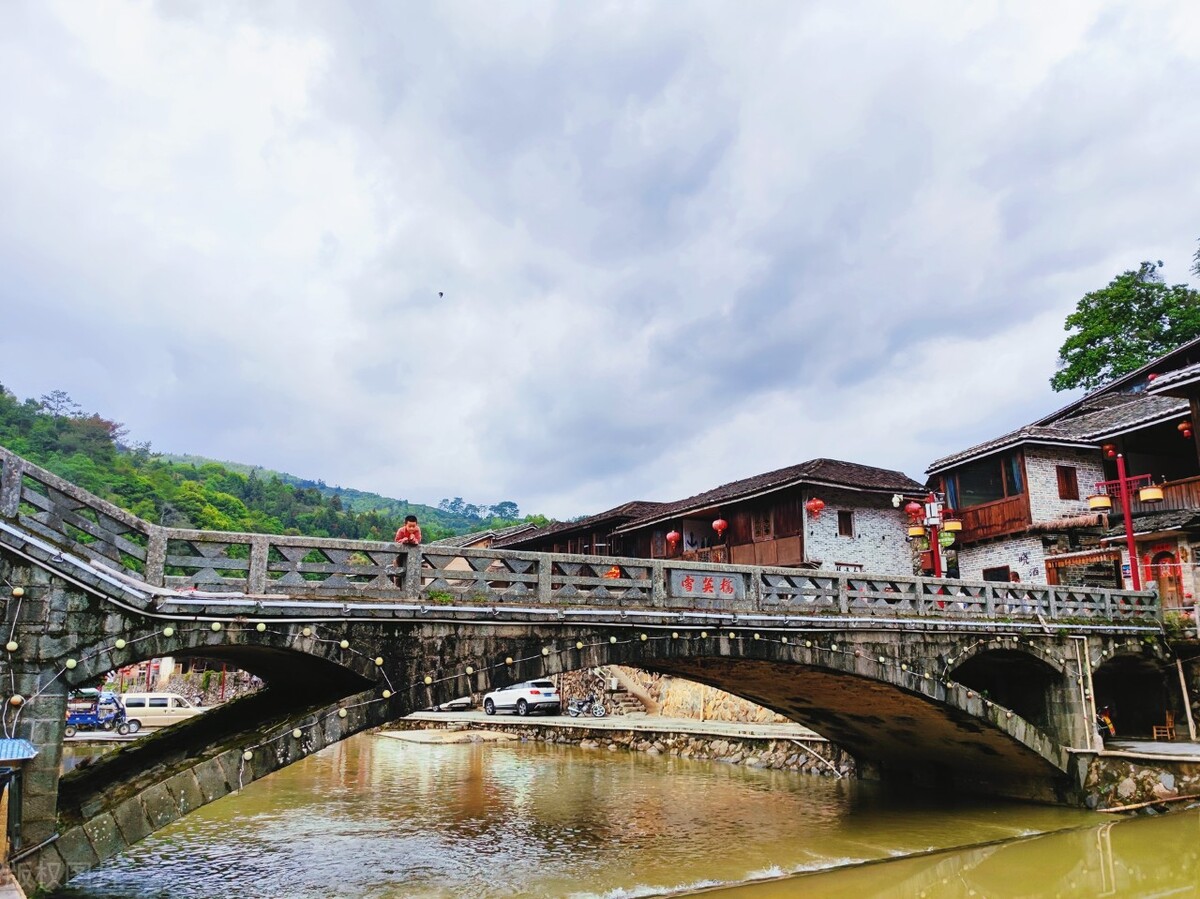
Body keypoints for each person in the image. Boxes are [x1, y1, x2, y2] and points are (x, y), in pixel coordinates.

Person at [392, 515, 421, 586]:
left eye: (413, 526)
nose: (412, 528)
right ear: (405, 525)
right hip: (400, 555)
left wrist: (413, 539)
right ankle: (397, 589)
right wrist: (403, 540)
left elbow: (418, 541)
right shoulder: (401, 531)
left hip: (413, 556)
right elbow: (396, 542)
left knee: (412, 573)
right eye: (410, 526)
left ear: (416, 525)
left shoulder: (417, 530)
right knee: (398, 573)